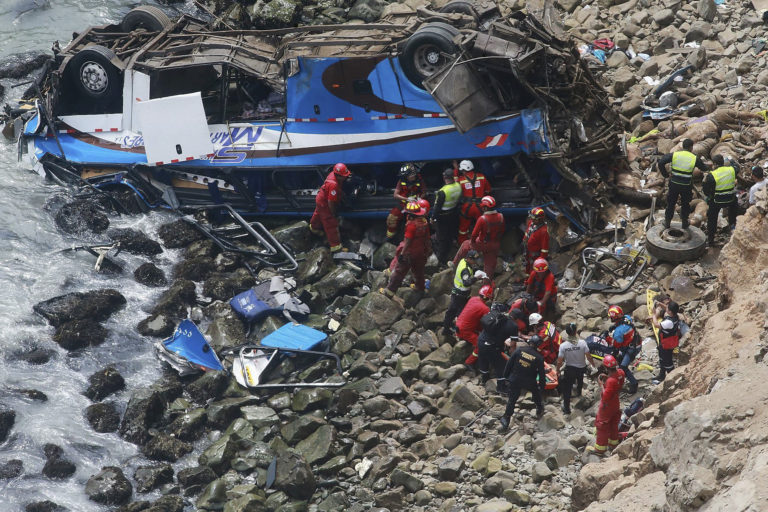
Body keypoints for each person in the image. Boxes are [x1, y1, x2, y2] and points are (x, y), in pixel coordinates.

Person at [656, 138, 709, 229]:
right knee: (685, 204)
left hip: (674, 184)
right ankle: (685, 222)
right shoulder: (694, 158)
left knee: (671, 203)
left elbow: (660, 162)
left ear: (683, 146)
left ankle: (667, 222)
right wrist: (706, 164)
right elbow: (704, 168)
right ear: (691, 147)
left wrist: (665, 175)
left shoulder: (674, 155)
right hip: (686, 185)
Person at [382, 201, 431, 296]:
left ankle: (390, 291)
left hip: (409, 253)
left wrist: (402, 254)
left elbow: (408, 241)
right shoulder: (424, 223)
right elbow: (427, 239)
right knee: (419, 272)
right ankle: (420, 288)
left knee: (399, 272)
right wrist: (428, 250)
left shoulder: (411, 225)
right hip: (421, 252)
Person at [499, 335, 546, 431]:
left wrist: (506, 377)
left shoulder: (519, 350)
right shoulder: (539, 358)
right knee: (536, 393)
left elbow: (509, 364)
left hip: (515, 379)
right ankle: (539, 409)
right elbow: (542, 375)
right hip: (529, 381)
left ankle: (506, 419)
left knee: (512, 400)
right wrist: (542, 386)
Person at [453, 195, 505, 276]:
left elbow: (474, 235)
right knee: (489, 266)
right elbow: (502, 231)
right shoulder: (501, 217)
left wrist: (472, 243)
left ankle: (454, 265)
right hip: (495, 244)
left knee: (465, 244)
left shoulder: (482, 219)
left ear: (485, 208)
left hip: (482, 243)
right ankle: (487, 283)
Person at [586, 354, 625, 456]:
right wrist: (608, 378)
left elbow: (605, 397)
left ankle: (600, 449)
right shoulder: (620, 373)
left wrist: (601, 385)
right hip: (616, 402)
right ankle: (613, 442)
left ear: (605, 367)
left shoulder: (611, 381)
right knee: (613, 423)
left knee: (601, 425)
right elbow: (618, 382)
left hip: (607, 406)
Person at [477, 303, 519, 392]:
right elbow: (512, 346)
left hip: (481, 341)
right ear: (517, 319)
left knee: (483, 360)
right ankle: (501, 388)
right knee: (502, 366)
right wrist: (513, 359)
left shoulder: (497, 317)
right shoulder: (513, 326)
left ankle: (485, 379)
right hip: (491, 346)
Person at [442, 250, 486, 333]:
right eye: (474, 260)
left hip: (461, 293)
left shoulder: (463, 261)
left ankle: (453, 326)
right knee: (454, 311)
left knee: (457, 311)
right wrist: (476, 278)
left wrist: (475, 270)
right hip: (460, 294)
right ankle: (447, 329)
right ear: (469, 259)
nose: (475, 262)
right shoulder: (465, 270)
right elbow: (466, 283)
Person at [309, 163, 351, 252]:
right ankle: (336, 247)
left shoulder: (332, 175)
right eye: (344, 176)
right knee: (331, 224)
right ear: (338, 176)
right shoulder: (333, 185)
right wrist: (333, 213)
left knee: (318, 214)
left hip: (320, 199)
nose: (345, 178)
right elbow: (330, 201)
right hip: (325, 204)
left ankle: (314, 228)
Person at [556, 323, 596, 414]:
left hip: (570, 369)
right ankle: (578, 393)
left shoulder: (563, 346)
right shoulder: (582, 342)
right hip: (581, 368)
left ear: (566, 333)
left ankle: (567, 409)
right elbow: (589, 356)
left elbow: (559, 361)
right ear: (575, 332)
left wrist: (557, 370)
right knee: (580, 379)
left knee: (567, 388)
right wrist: (593, 365)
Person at [703, 154, 738, 246]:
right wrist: (731, 160)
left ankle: (710, 239)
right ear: (723, 163)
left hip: (717, 200)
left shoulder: (712, 175)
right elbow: (737, 166)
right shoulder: (732, 169)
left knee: (712, 218)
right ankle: (733, 226)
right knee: (734, 208)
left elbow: (706, 192)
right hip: (730, 199)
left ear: (714, 164)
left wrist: (704, 182)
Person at [455, 284, 493, 368]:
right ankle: (469, 362)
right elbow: (486, 323)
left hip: (459, 324)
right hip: (465, 330)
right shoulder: (485, 309)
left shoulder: (473, 299)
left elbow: (474, 316)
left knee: (478, 332)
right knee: (481, 345)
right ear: (488, 297)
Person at [386, 163, 426, 239]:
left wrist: (419, 199)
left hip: (416, 205)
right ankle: (391, 236)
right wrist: (407, 199)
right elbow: (395, 195)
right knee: (392, 218)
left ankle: (417, 236)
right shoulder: (402, 181)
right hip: (403, 204)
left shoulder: (420, 180)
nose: (410, 177)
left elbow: (424, 192)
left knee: (418, 221)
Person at [605, 305, 639, 394]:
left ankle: (634, 383)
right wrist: (615, 326)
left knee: (623, 366)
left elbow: (616, 343)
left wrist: (607, 338)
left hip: (631, 349)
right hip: (636, 342)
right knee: (620, 360)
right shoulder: (627, 318)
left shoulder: (618, 332)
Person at [457, 160, 492, 244]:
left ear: (463, 170)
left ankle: (463, 246)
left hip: (466, 208)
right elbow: (488, 191)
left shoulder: (460, 180)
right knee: (482, 226)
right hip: (480, 206)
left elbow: (457, 195)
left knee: (463, 229)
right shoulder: (481, 177)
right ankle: (482, 243)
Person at [432, 168, 462, 265]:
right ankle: (450, 253)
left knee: (442, 238)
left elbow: (437, 207)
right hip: (453, 214)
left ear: (444, 177)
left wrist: (433, 218)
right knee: (450, 235)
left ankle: (441, 260)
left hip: (442, 217)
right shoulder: (458, 186)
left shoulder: (442, 191)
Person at [652, 300, 682, 384]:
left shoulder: (669, 322)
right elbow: (667, 308)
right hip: (665, 342)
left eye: (667, 308)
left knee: (668, 362)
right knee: (662, 359)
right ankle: (662, 375)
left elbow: (656, 324)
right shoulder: (675, 315)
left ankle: (672, 378)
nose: (666, 308)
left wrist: (654, 314)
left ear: (670, 311)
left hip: (666, 344)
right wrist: (660, 303)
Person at [522, 206, 549, 274]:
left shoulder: (543, 231)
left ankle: (531, 281)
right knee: (527, 266)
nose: (532, 220)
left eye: (534, 219)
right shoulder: (532, 223)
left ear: (540, 219)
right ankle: (527, 280)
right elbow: (527, 233)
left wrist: (541, 261)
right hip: (527, 251)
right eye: (531, 218)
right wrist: (524, 242)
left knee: (533, 269)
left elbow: (544, 249)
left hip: (535, 255)